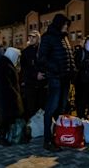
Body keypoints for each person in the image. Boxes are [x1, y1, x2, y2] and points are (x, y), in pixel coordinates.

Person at [37, 13, 76, 152]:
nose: (66, 27)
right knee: (51, 109)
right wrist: (55, 68)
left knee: (61, 109)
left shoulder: (64, 37)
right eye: (64, 24)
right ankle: (47, 140)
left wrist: (72, 70)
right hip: (55, 79)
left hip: (65, 78)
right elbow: (41, 58)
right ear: (59, 24)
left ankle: (57, 136)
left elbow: (68, 56)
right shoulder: (48, 38)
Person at [0, 47, 24, 146]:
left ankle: (6, 136)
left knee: (7, 115)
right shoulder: (5, 65)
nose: (17, 59)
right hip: (6, 94)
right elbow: (7, 83)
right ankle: (2, 137)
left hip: (5, 94)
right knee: (5, 116)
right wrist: (15, 93)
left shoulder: (3, 63)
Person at [20, 30, 46, 120]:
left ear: (38, 38)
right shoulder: (25, 52)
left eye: (33, 37)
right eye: (30, 36)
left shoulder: (44, 50)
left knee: (42, 109)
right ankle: (30, 130)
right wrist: (35, 75)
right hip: (30, 85)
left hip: (42, 85)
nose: (31, 38)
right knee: (31, 109)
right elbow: (24, 69)